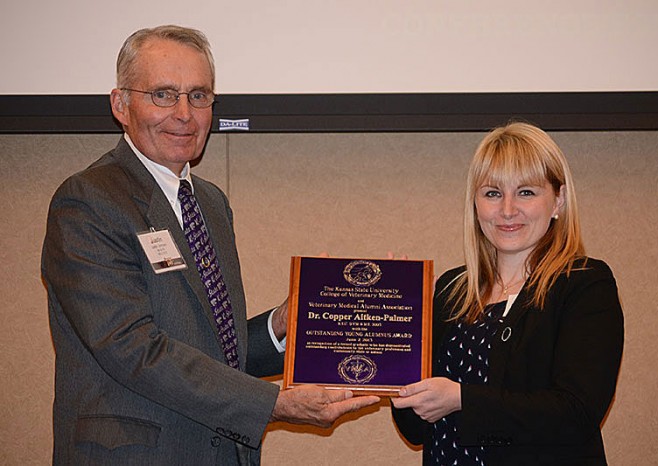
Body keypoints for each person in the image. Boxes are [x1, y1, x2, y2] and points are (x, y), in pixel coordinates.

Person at [41, 25, 378, 465]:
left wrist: (280, 326)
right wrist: (272, 404)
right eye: (164, 94)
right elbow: (132, 348)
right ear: (121, 104)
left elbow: (216, 351)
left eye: (199, 96)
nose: (184, 113)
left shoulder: (212, 204)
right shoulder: (88, 201)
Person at [391, 122, 624, 465]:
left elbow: (577, 414)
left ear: (558, 200)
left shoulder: (585, 284)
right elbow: (413, 428)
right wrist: (398, 334)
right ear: (475, 203)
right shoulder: (451, 289)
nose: (507, 209)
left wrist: (463, 400)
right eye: (493, 193)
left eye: (526, 192)